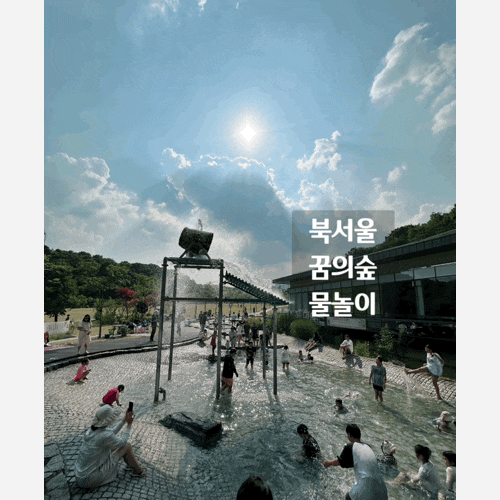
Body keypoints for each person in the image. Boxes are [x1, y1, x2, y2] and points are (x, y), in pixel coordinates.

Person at [74, 405, 145, 488]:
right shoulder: (104, 435)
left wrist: (124, 420)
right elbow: (123, 442)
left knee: (113, 446)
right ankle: (138, 471)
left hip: (80, 476)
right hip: (90, 479)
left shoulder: (92, 430)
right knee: (127, 446)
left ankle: (130, 463)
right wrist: (129, 425)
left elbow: (111, 432)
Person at [323, 424, 388, 500]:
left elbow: (339, 462)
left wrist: (329, 463)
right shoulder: (369, 447)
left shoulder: (351, 446)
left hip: (366, 488)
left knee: (348, 497)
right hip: (382, 490)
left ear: (349, 436)